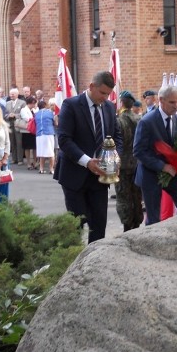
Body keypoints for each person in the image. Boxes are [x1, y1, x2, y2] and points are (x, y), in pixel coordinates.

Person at [55, 71, 120, 243]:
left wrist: (115, 156)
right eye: (103, 93)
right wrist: (86, 161)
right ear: (92, 86)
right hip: (74, 175)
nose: (105, 97)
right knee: (76, 224)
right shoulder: (71, 105)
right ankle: (72, 261)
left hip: (100, 177)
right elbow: (64, 139)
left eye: (108, 94)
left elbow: (116, 135)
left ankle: (95, 263)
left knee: (99, 224)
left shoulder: (108, 107)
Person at [133, 84, 177, 225]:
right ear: (161, 100)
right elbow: (138, 151)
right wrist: (162, 166)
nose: (176, 106)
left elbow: (175, 145)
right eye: (172, 102)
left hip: (171, 173)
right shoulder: (146, 122)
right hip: (150, 173)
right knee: (153, 218)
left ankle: (173, 231)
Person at [115, 90, 144, 231]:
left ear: (122, 102)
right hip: (137, 163)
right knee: (137, 195)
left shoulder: (118, 120)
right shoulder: (140, 119)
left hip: (123, 165)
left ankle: (127, 224)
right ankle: (137, 223)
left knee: (123, 196)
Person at [33, 99, 56, 175]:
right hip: (48, 133)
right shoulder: (50, 113)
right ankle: (51, 169)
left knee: (41, 152)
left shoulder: (36, 114)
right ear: (46, 106)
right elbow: (55, 123)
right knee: (51, 152)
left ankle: (41, 169)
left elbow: (35, 123)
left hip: (39, 134)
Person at [4, 88, 25, 164]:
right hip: (10, 124)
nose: (11, 95)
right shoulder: (7, 103)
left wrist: (15, 115)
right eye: (10, 94)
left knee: (19, 142)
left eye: (13, 94)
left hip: (18, 124)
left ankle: (20, 159)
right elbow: (5, 114)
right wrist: (8, 115)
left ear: (17, 94)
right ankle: (14, 158)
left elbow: (24, 114)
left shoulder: (22, 103)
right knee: (11, 141)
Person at [19, 96, 37, 169]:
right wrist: (34, 119)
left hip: (34, 130)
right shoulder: (24, 110)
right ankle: (29, 163)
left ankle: (35, 162)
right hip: (26, 131)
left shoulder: (34, 110)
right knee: (27, 147)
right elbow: (26, 118)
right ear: (31, 103)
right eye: (34, 103)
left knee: (34, 147)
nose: (35, 105)